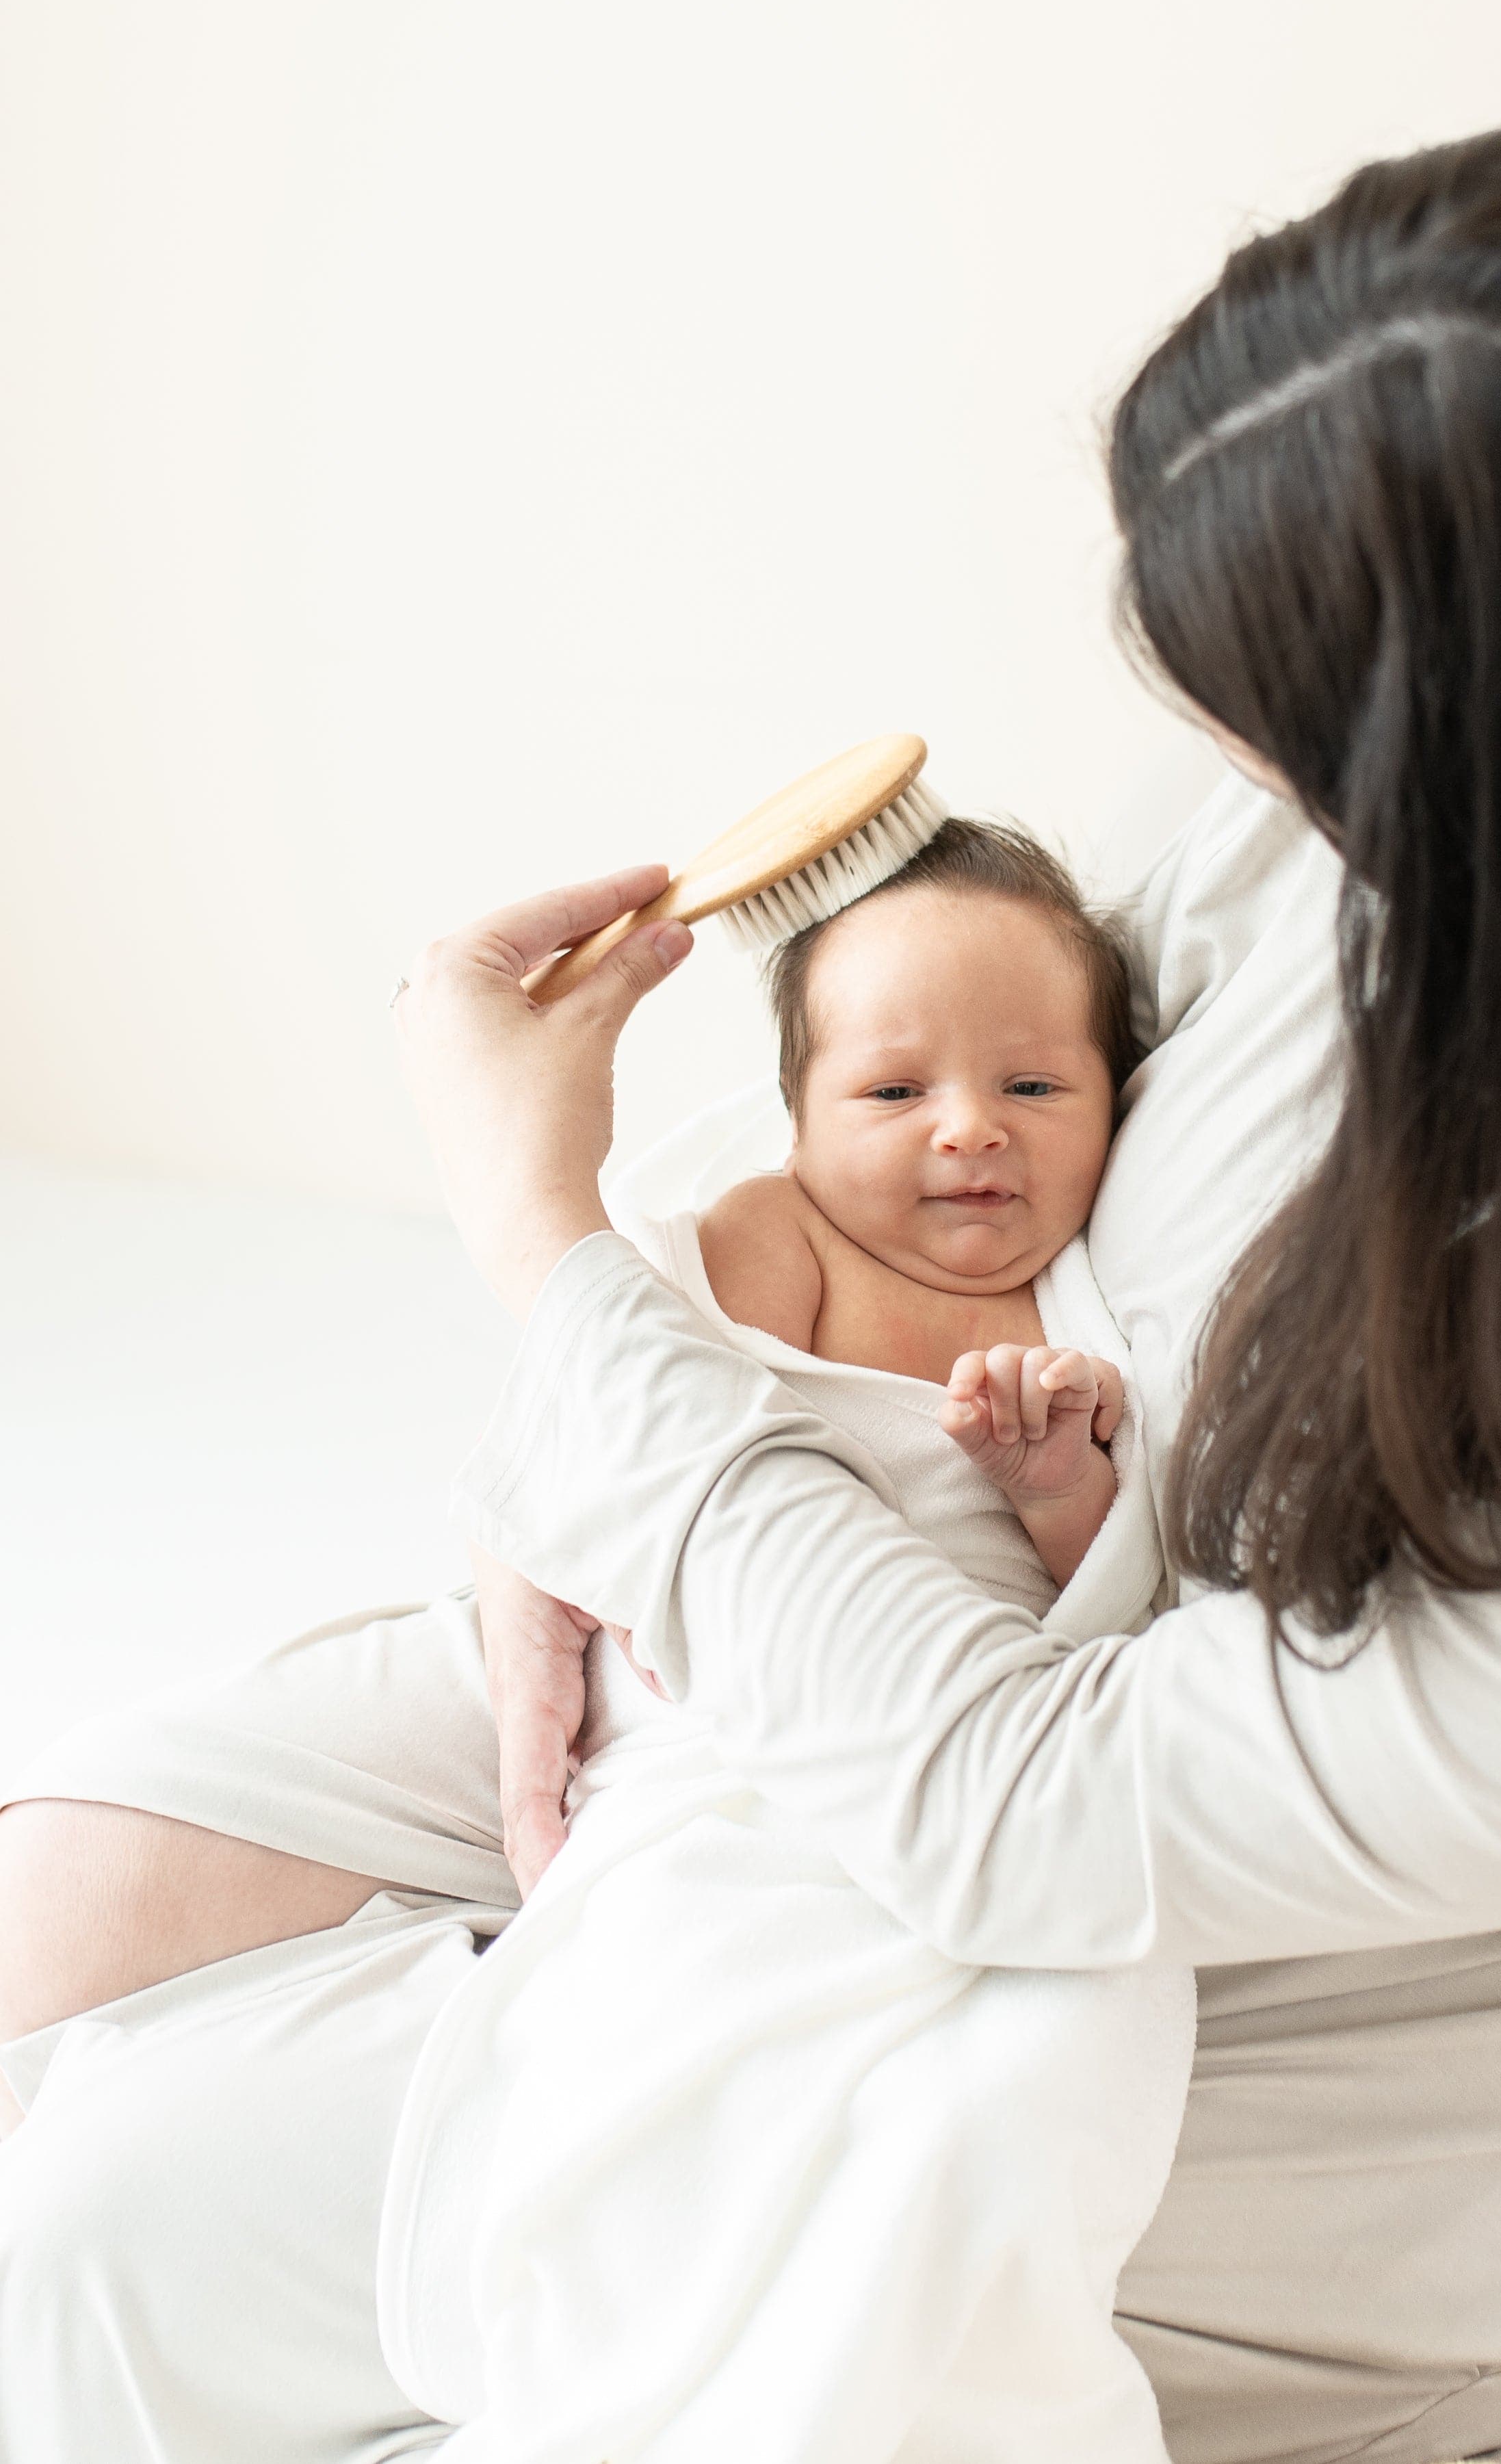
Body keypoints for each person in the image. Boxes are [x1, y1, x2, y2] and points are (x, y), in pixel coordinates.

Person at [0, 114, 1501, 2464]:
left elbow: (1035, 1812)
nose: (1214, 759)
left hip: (1404, 1990)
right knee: (54, 1899)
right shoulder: (1386, 826)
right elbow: (989, 1097)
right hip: (952, 1584)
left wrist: (551, 1252)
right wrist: (613, 1438)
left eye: (1282, 722)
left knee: (121, 2208)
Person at [371, 813, 1192, 2464]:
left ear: (1118, 1105)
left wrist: (1060, 1492)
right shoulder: (778, 1245)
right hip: (745, 1759)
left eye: (1036, 1088)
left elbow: (1121, 1607)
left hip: (985, 1770)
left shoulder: (1094, 1310)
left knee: (1045, 2071)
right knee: (679, 2029)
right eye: (894, 1093)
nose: (970, 1132)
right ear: (799, 1116)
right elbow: (615, 1427)